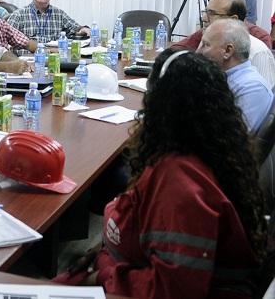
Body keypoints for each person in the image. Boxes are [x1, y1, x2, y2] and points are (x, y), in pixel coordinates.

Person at [55, 50, 266, 298]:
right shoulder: (214, 151)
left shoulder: (179, 183)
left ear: (159, 103)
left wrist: (104, 276)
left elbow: (172, 289)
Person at [172, 0, 275, 88]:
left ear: (233, 19)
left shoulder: (258, 51)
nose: (204, 18)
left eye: (212, 13)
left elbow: (263, 99)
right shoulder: (207, 37)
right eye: (205, 12)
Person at [197, 19, 273, 132]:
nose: (198, 51)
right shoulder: (221, 78)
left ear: (227, 51)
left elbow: (234, 140)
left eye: (205, 45)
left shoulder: (251, 87)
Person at [6, 0, 90, 43]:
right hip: (26, 60)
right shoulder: (19, 15)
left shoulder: (59, 14)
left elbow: (76, 28)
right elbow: (5, 38)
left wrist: (83, 29)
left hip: (54, 58)